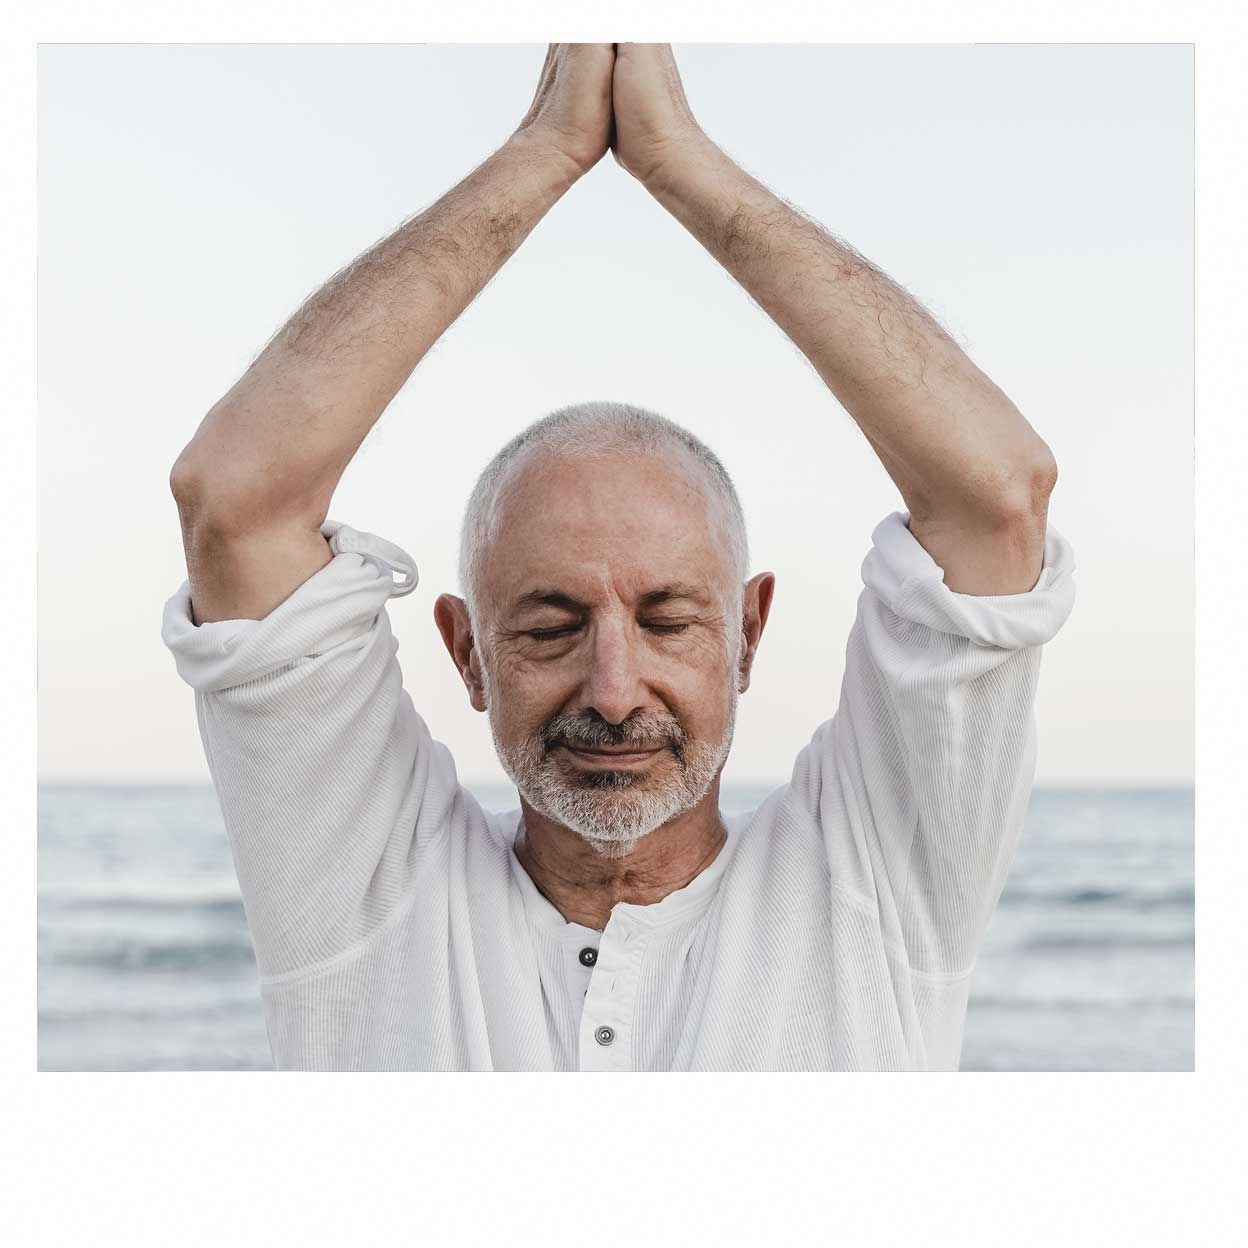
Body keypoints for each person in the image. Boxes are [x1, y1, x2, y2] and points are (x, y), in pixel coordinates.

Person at [162, 43, 1076, 1071]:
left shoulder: (872, 884)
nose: (611, 687)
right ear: (465, 651)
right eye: (550, 626)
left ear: (750, 632)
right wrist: (546, 150)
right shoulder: (369, 890)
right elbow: (236, 503)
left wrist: (679, 158)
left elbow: (996, 496)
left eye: (668, 620)